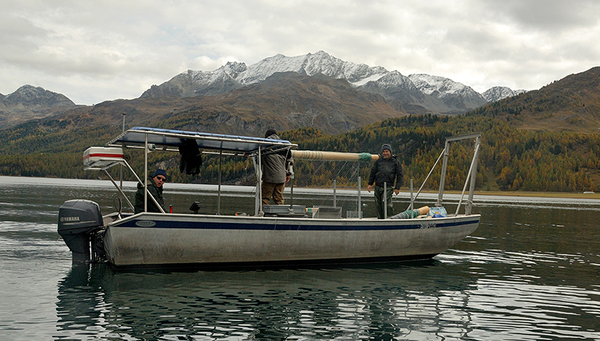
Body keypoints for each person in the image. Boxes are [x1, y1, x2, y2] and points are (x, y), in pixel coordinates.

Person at [367, 144, 403, 219]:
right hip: (378, 186)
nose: (385, 153)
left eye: (387, 151)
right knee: (378, 204)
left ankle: (389, 218)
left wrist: (397, 187)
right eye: (384, 151)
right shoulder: (378, 161)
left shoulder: (395, 162)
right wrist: (370, 184)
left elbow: (400, 175)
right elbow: (373, 173)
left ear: (390, 152)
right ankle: (380, 219)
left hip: (388, 187)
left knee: (385, 203)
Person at [261, 129, 292, 205]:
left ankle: (264, 215)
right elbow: (290, 162)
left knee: (265, 198)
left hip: (269, 178)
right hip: (281, 178)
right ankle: (279, 215)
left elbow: (259, 159)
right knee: (279, 199)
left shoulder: (264, 145)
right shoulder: (285, 146)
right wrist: (288, 174)